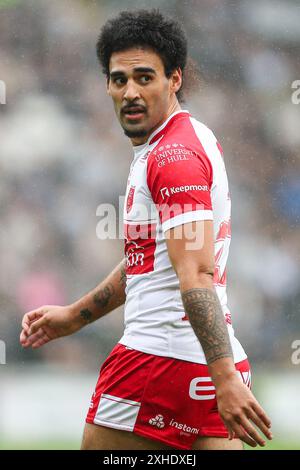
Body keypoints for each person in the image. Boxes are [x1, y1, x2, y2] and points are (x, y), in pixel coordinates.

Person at [20, 9, 273, 451]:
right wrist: (74, 316)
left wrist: (225, 378)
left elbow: (195, 274)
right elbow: (151, 260)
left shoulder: (172, 158)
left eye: (144, 77)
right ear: (106, 86)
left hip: (156, 363)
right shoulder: (189, 138)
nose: (130, 93)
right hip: (208, 363)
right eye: (119, 80)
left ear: (174, 79)